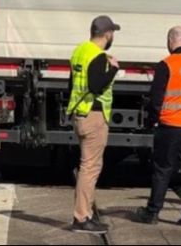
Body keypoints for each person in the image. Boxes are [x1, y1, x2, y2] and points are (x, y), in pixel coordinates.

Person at [137, 27, 181, 227]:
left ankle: (152, 213)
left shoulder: (167, 65)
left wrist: (152, 120)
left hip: (171, 125)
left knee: (163, 169)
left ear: (170, 41)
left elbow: (156, 99)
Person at [67, 15, 120, 235]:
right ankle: (82, 217)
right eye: (112, 33)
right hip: (94, 115)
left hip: (80, 113)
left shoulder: (80, 51)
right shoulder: (99, 56)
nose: (112, 36)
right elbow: (96, 86)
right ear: (107, 34)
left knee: (86, 166)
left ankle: (85, 214)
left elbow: (71, 83)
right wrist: (114, 69)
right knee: (90, 167)